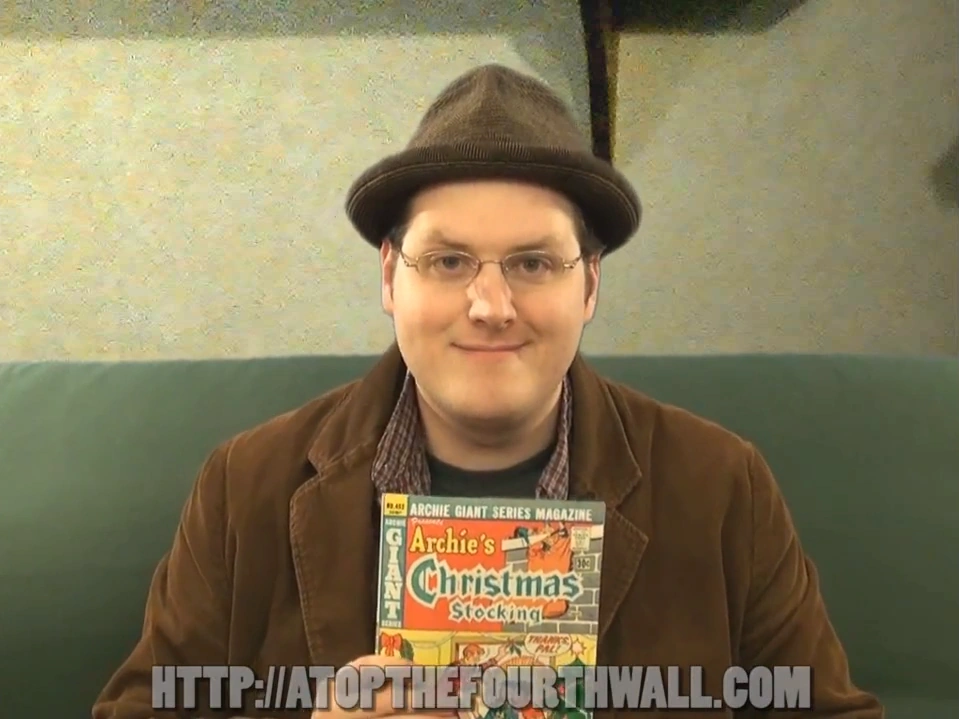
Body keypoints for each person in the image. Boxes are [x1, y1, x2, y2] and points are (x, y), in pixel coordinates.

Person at [92, 64, 883, 718]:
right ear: (389, 277)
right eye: (448, 261)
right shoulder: (244, 485)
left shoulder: (721, 484)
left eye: (533, 263)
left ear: (589, 285)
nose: (490, 304)